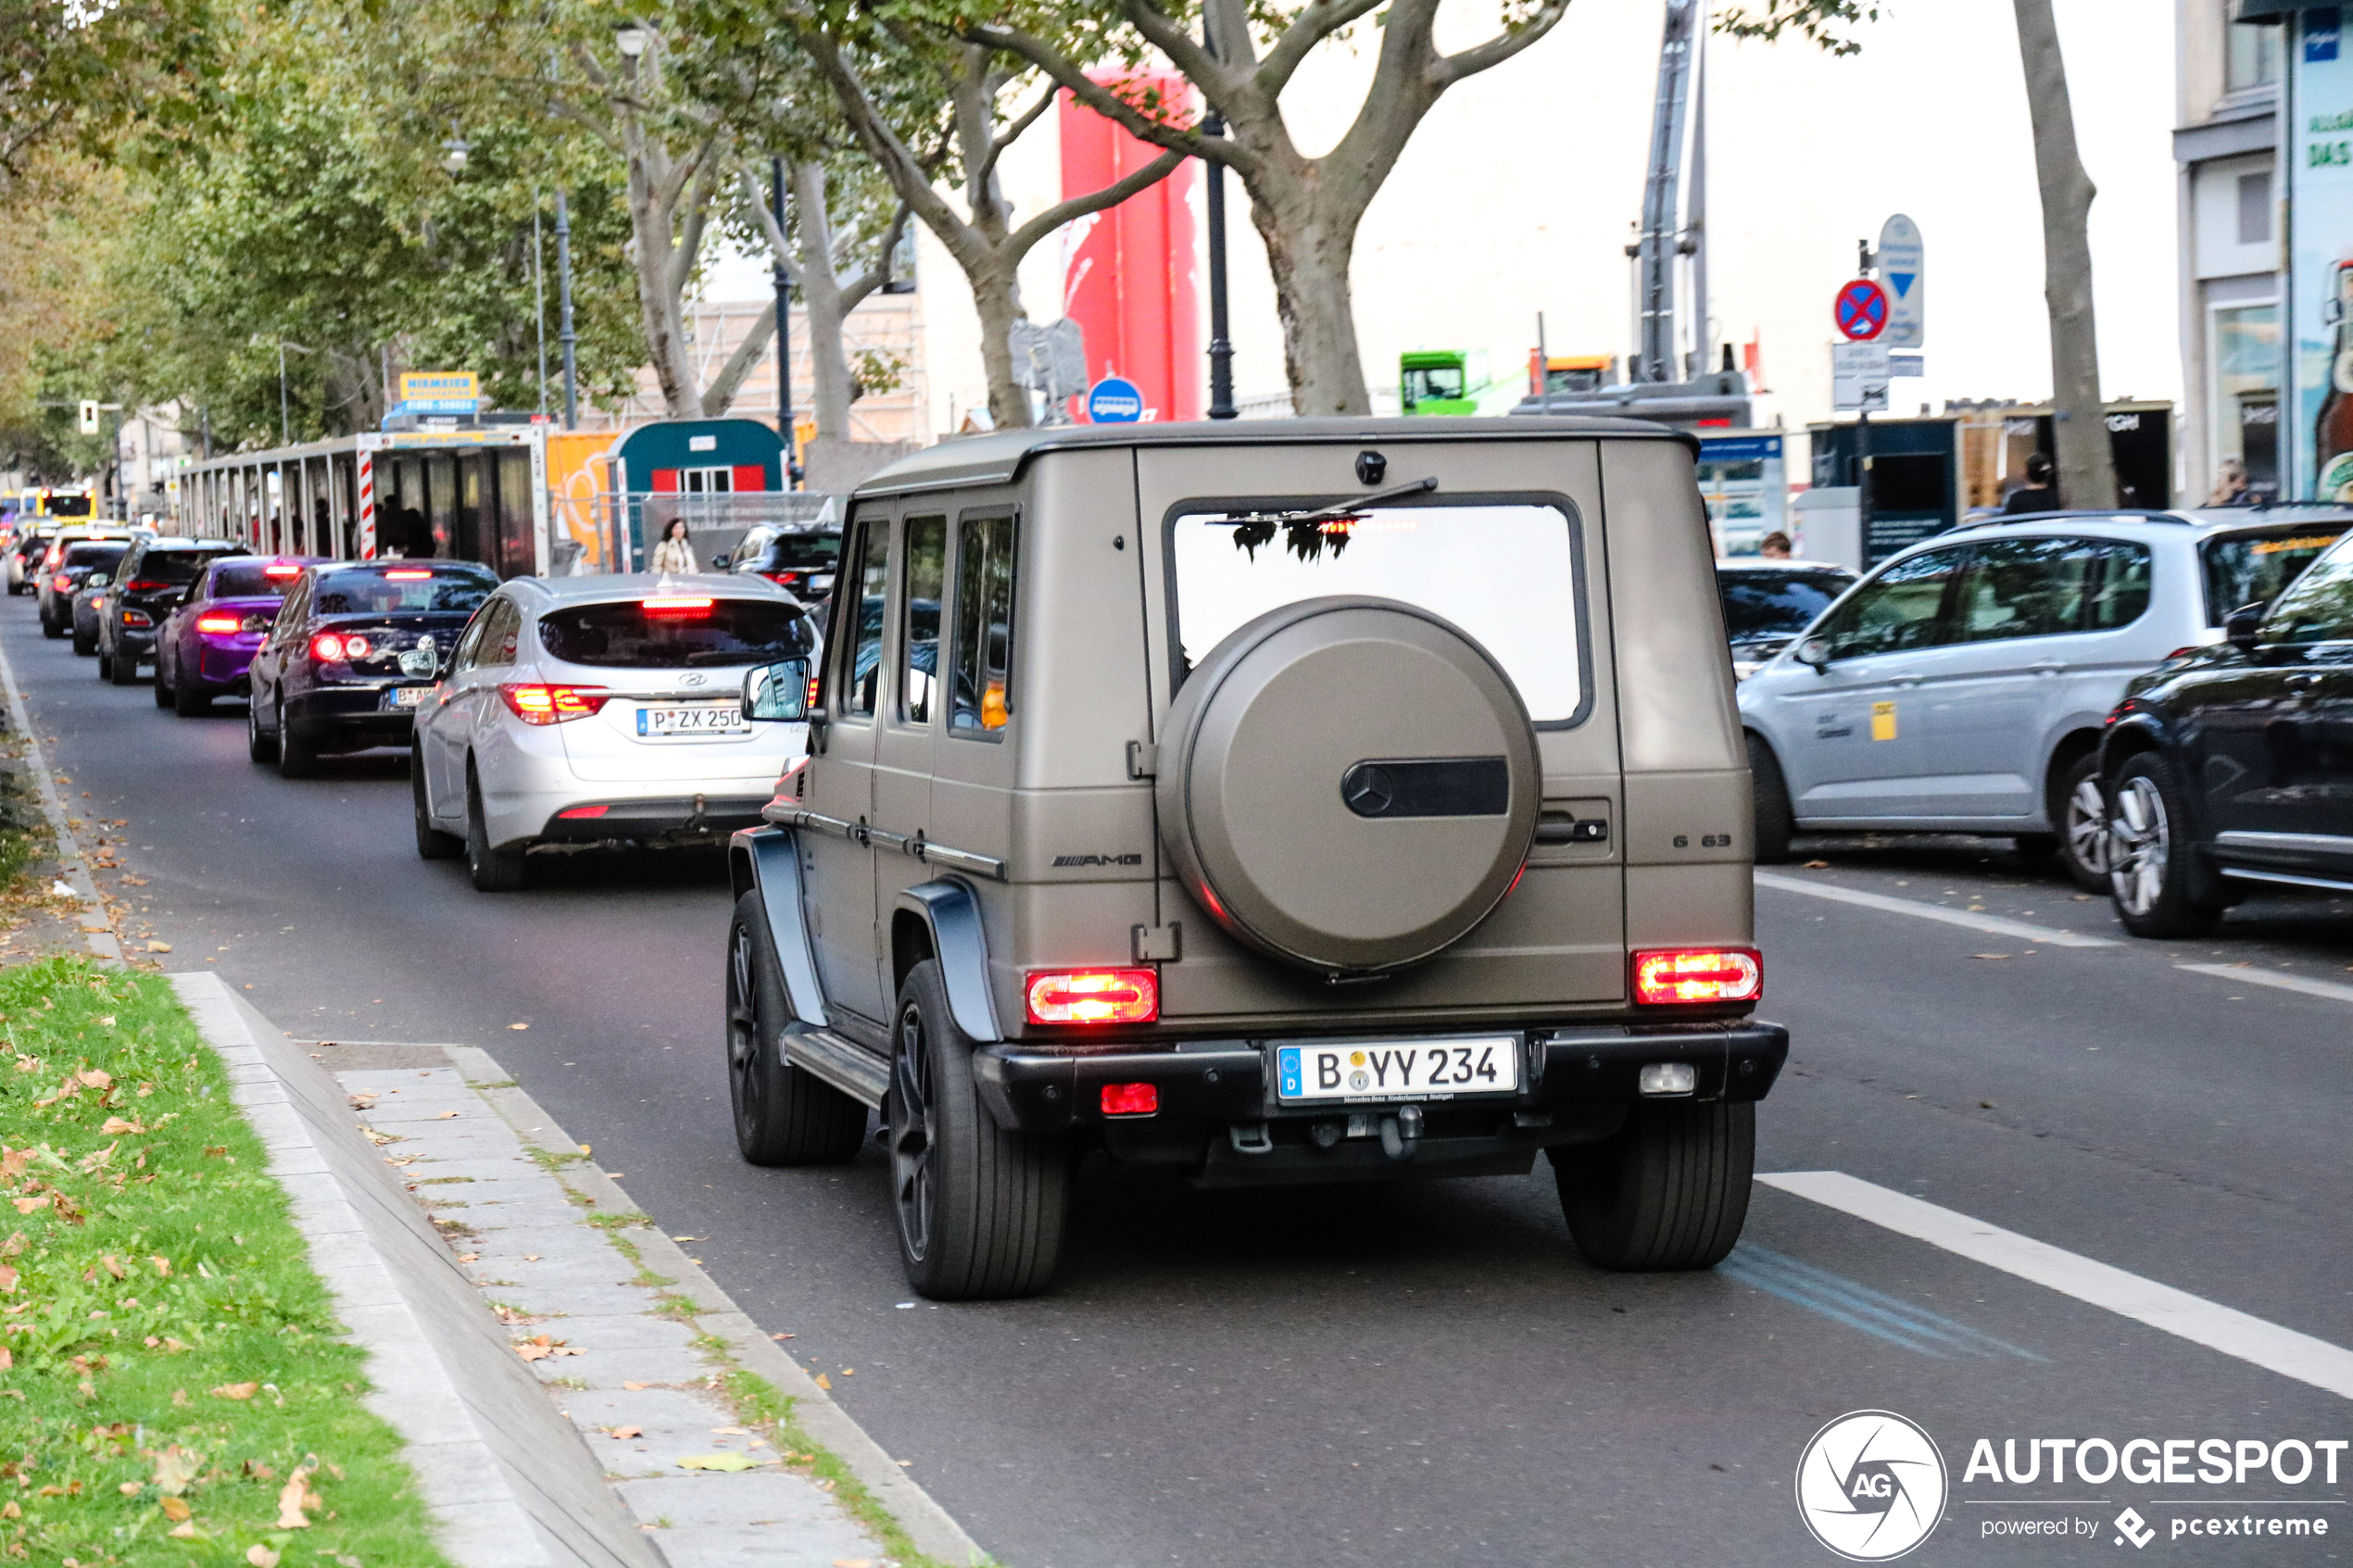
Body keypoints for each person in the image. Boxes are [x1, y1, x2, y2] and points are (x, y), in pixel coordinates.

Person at [2000, 452, 2060, 516]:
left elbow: (2009, 522)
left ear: (2026, 473)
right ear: (2048, 473)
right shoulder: (2057, 498)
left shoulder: (2016, 499)